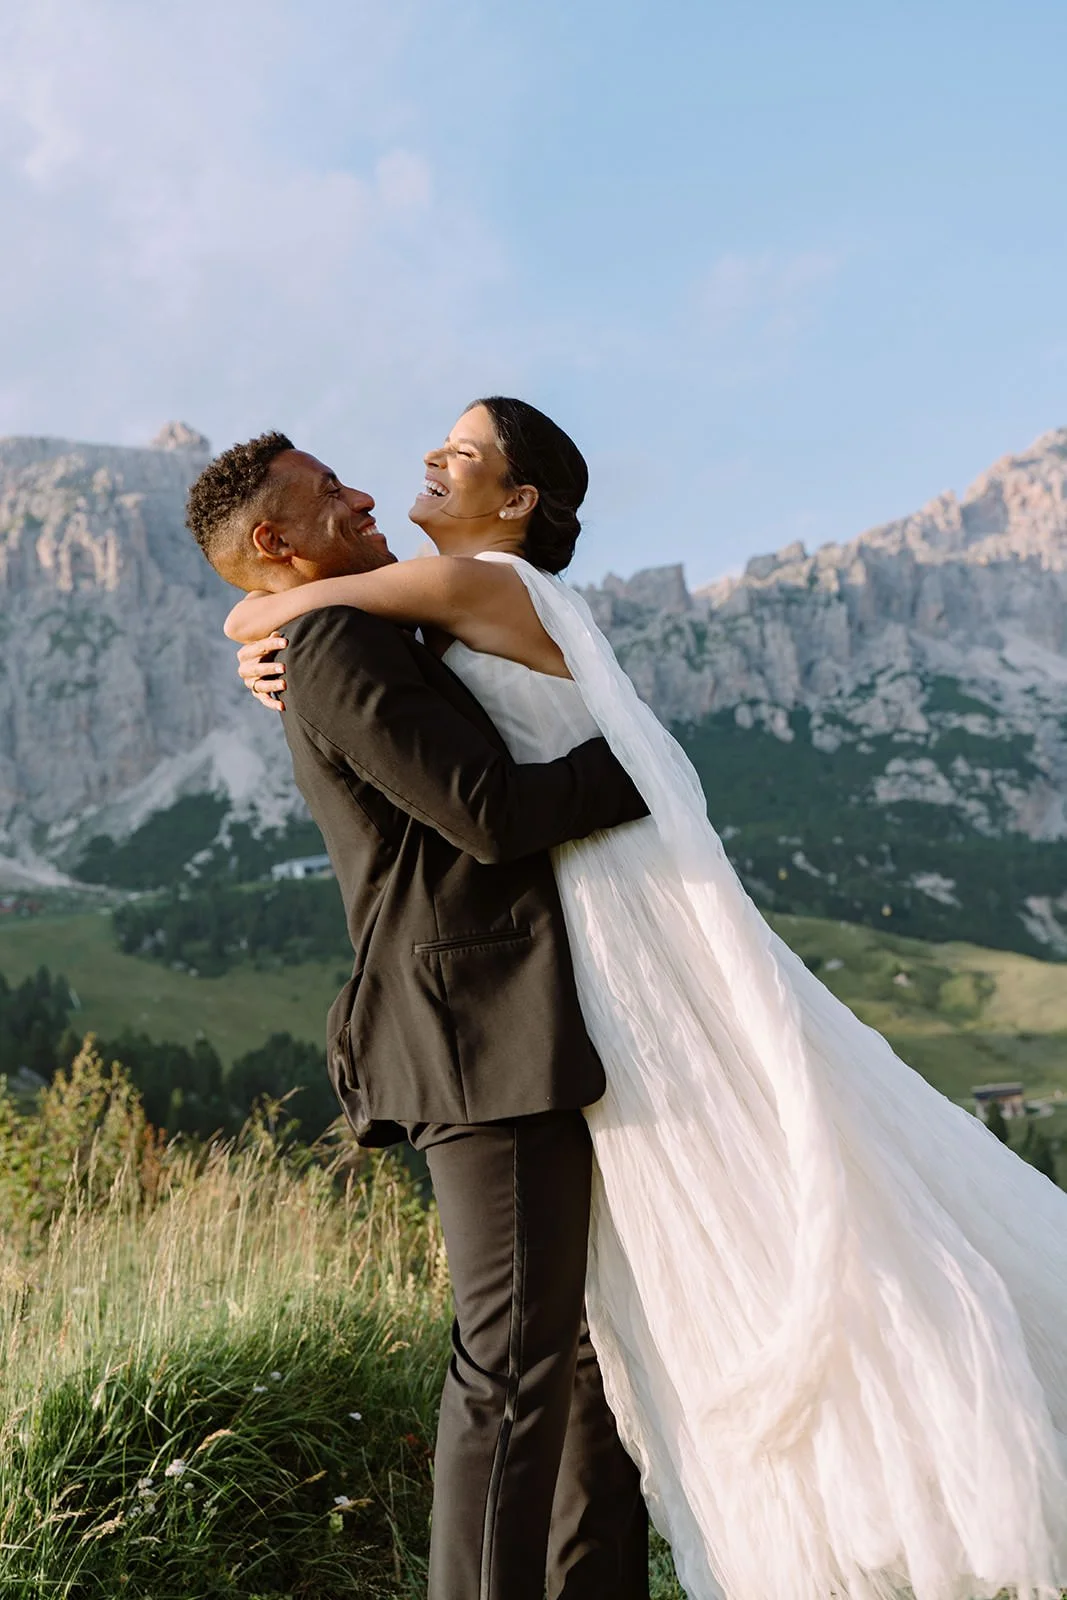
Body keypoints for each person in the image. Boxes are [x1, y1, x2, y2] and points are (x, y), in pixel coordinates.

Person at [225, 397, 1067, 1600]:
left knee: (584, 1312)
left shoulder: (486, 586)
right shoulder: (437, 599)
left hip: (613, 923)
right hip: (583, 942)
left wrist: (257, 620)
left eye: (459, 454)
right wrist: (274, 630)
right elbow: (288, 608)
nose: (421, 464)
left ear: (514, 504)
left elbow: (273, 601)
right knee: (610, 1304)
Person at [185, 432, 651, 1600]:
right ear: (278, 543)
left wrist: (248, 626)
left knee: (579, 1359)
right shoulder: (335, 639)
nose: (362, 490)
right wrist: (642, 767)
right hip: (469, 1035)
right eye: (327, 493)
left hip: (517, 1025)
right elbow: (487, 815)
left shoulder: (353, 623)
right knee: (505, 1364)